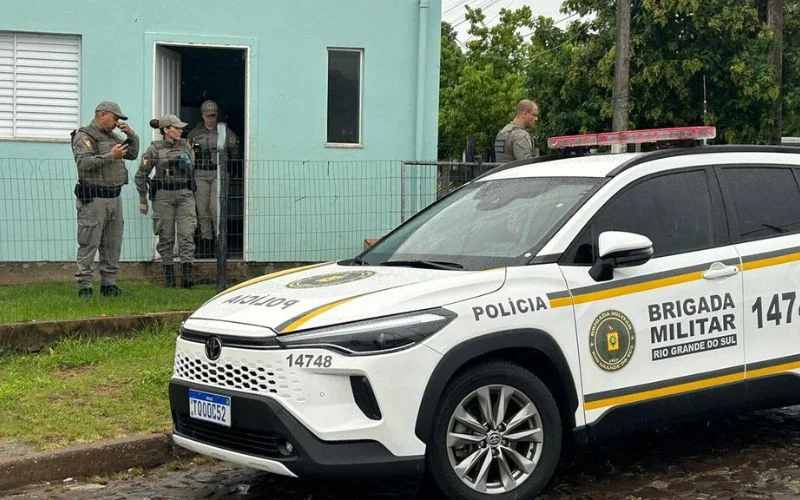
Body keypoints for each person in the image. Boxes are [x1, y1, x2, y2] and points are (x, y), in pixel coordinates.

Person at [71, 101, 139, 298]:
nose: (117, 122)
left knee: (112, 243)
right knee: (89, 241)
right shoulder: (84, 136)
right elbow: (84, 163)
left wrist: (131, 135)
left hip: (114, 196)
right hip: (94, 198)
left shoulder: (114, 137)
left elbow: (133, 155)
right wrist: (111, 156)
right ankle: (85, 286)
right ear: (102, 115)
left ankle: (109, 284)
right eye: (115, 118)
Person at [135, 114, 198, 288]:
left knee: (187, 234)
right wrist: (143, 199)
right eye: (176, 128)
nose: (180, 130)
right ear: (166, 130)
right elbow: (141, 175)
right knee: (166, 235)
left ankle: (187, 277)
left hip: (185, 194)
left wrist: (184, 162)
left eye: (180, 128)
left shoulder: (186, 146)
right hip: (164, 195)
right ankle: (169, 277)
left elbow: (192, 166)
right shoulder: (154, 149)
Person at [187, 100, 241, 258]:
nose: (210, 119)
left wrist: (229, 167)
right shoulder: (194, 134)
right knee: (202, 209)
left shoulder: (225, 132)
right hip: (201, 173)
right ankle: (206, 243)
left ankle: (220, 243)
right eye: (208, 115)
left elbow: (235, 150)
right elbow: (187, 154)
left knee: (216, 209)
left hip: (218, 172)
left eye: (213, 115)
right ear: (202, 115)